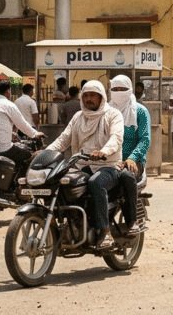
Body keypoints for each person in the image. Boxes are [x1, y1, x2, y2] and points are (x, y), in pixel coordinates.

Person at [46, 80, 139, 247]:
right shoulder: (78, 117)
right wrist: (46, 152)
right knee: (59, 183)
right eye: (86, 95)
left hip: (110, 165)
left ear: (101, 97)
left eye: (93, 95)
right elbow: (63, 139)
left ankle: (105, 232)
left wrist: (104, 151)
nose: (89, 99)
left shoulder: (113, 115)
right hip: (82, 165)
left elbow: (116, 138)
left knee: (95, 182)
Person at [108, 75, 149, 231]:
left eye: (123, 90)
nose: (118, 93)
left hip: (132, 161)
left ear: (130, 90)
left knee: (125, 176)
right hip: (110, 161)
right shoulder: (106, 111)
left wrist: (132, 158)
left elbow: (145, 140)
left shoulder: (140, 112)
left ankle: (132, 221)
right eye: (115, 90)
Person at [0, 80, 44, 169]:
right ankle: (20, 181)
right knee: (28, 155)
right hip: (3, 149)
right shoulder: (9, 105)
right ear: (8, 91)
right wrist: (35, 134)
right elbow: (22, 124)